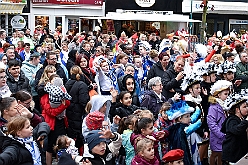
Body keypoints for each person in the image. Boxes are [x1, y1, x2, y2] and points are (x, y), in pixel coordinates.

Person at [40, 84, 70, 165]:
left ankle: (60, 162)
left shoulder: (59, 93)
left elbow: (68, 102)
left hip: (61, 123)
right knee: (50, 147)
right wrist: (62, 106)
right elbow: (52, 112)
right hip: (52, 125)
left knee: (60, 145)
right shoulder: (45, 97)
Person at [166, 100, 202, 165]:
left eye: (189, 116)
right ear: (180, 118)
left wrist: (197, 110)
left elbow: (192, 119)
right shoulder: (182, 129)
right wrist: (201, 120)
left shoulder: (183, 124)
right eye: (187, 116)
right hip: (186, 151)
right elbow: (195, 125)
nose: (189, 118)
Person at [207, 80, 232, 165]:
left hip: (224, 134)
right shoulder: (213, 107)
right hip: (217, 135)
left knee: (221, 154)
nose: (227, 96)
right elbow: (211, 123)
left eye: (228, 94)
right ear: (218, 95)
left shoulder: (225, 106)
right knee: (215, 154)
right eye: (225, 94)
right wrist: (220, 134)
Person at [221, 91, 248, 164]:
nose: (247, 108)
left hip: (239, 154)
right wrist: (247, 121)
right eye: (244, 107)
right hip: (232, 156)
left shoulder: (241, 119)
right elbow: (237, 130)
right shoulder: (231, 120)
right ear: (237, 110)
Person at [65, 65, 90, 142]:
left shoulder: (67, 83)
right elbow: (83, 101)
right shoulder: (82, 85)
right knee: (79, 134)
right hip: (79, 112)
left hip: (69, 111)